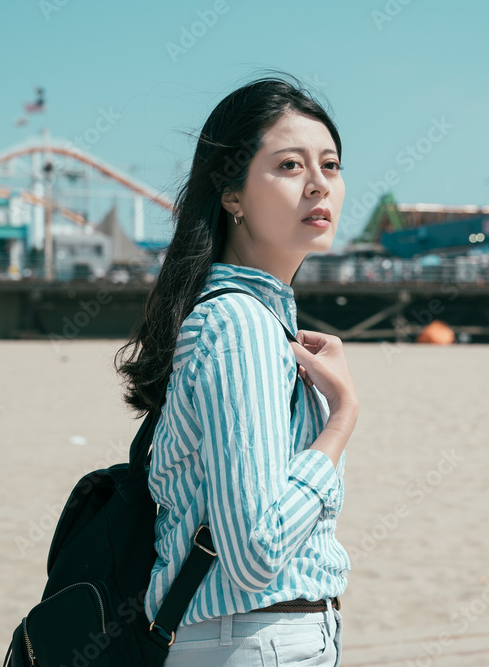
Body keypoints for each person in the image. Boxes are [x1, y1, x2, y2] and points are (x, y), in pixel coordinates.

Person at [114, 73, 356, 666]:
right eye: (291, 166)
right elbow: (254, 551)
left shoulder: (254, 323)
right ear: (233, 196)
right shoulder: (238, 327)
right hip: (254, 641)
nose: (319, 185)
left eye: (330, 164)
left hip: (255, 639)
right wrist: (343, 418)